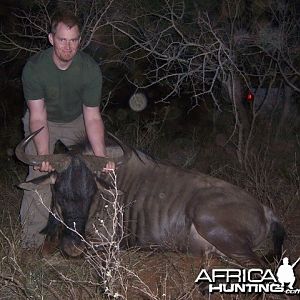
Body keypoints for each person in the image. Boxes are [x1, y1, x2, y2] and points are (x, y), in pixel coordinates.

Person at [21, 9, 113, 250]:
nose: (68, 47)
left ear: (79, 41)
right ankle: (32, 242)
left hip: (77, 120)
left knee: (96, 174)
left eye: (73, 41)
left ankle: (96, 235)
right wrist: (44, 156)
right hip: (44, 121)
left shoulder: (89, 69)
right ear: (52, 39)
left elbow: (92, 117)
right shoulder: (34, 68)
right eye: (62, 40)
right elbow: (38, 116)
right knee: (38, 177)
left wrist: (101, 156)